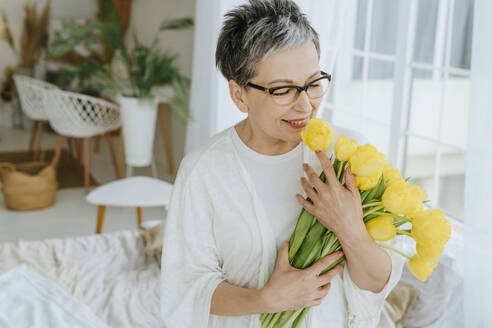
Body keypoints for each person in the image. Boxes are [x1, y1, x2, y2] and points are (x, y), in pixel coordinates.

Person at [160, 1, 405, 327]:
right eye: (283, 90)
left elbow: (377, 282)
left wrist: (350, 228)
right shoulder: (204, 171)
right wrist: (268, 299)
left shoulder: (350, 155)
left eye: (314, 83)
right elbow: (187, 288)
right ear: (239, 95)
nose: (305, 105)